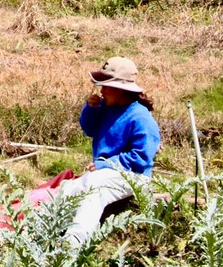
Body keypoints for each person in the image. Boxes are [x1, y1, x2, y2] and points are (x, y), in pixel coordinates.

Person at [58, 56, 161, 251]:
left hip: (133, 175)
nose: (102, 91)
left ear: (121, 90)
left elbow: (141, 158)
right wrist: (91, 109)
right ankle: (43, 231)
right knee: (68, 190)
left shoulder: (140, 117)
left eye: (106, 86)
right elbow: (89, 129)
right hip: (105, 172)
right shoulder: (107, 107)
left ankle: (73, 245)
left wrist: (105, 164)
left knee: (94, 190)